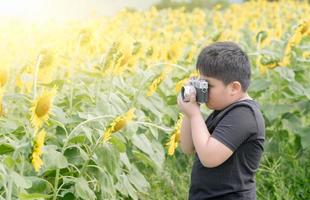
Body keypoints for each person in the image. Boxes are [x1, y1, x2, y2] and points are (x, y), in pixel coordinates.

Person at [177, 41, 265, 200]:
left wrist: (195, 114)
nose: (202, 89)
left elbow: (209, 158)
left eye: (208, 85)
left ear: (234, 88)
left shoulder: (244, 115)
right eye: (200, 82)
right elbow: (188, 147)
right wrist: (189, 112)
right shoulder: (223, 109)